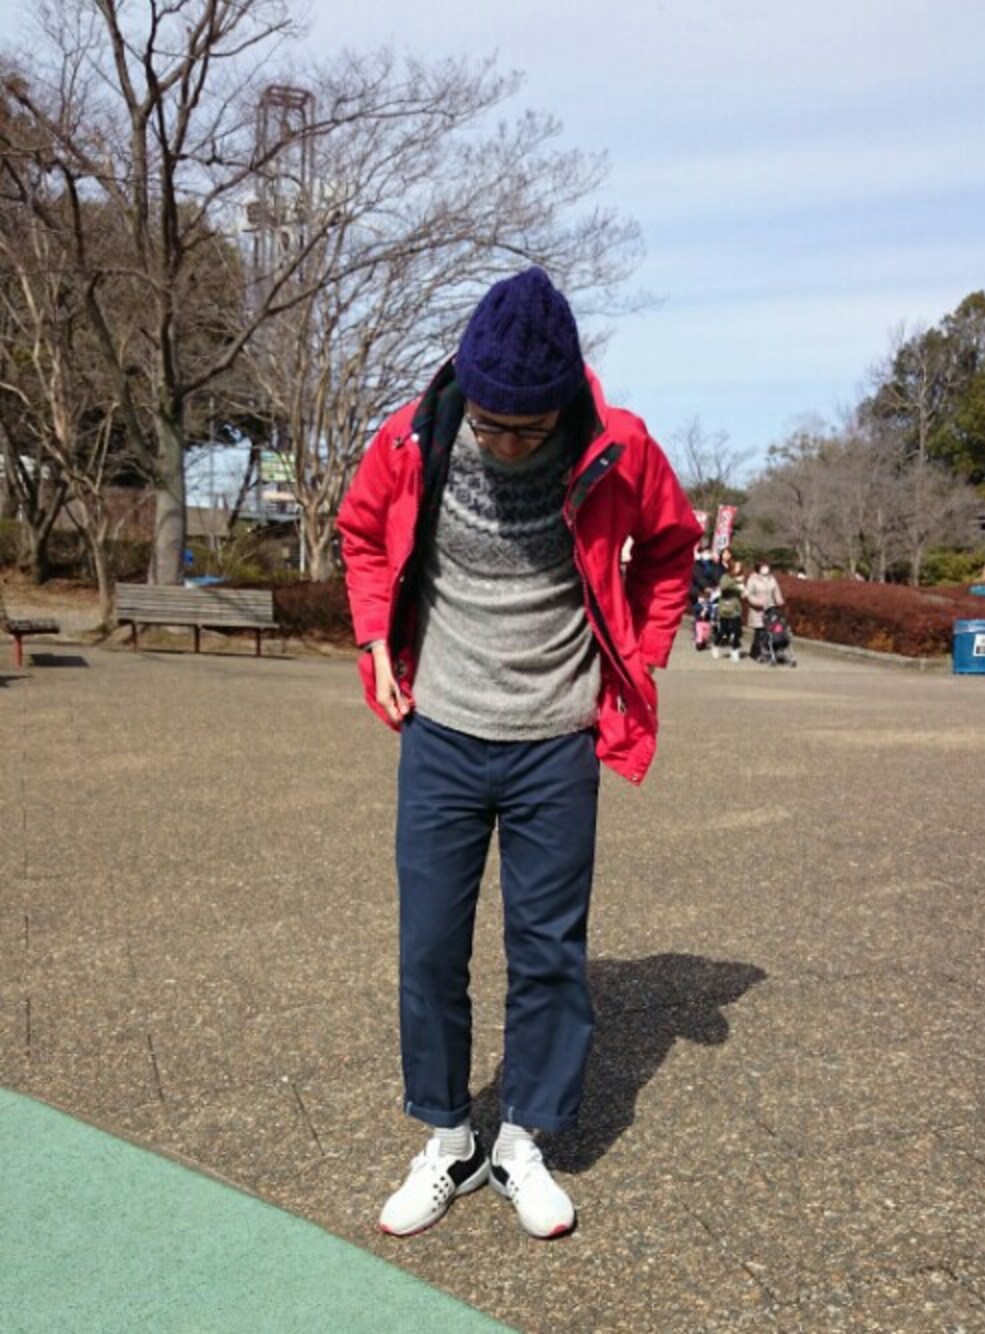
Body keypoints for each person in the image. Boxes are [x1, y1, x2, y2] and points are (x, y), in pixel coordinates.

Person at [337, 267, 701, 1241]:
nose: (504, 444)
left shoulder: (620, 446)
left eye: (526, 430)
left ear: (563, 402)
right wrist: (374, 640)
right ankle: (449, 1136)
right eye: (490, 423)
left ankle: (521, 1139)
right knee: (428, 946)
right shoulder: (412, 436)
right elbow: (361, 535)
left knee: (548, 952)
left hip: (557, 738)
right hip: (443, 730)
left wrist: (644, 651)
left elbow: (674, 548)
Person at [745, 559, 784, 661]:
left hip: (770, 608)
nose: (765, 569)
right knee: (760, 632)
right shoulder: (753, 579)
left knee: (769, 631)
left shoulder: (772, 579)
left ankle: (762, 650)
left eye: (767, 566)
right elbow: (748, 594)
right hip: (757, 610)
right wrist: (757, 602)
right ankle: (756, 652)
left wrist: (779, 600)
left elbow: (776, 591)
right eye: (763, 567)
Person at [713, 558, 745, 661]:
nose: (738, 569)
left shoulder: (741, 579)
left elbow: (742, 593)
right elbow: (723, 586)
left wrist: (743, 591)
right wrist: (735, 581)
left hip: (736, 609)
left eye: (740, 567)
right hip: (725, 607)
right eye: (737, 567)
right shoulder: (725, 577)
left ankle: (734, 651)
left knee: (737, 631)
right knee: (724, 631)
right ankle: (716, 645)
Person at [693, 583, 717, 650]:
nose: (701, 599)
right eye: (700, 598)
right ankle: (698, 645)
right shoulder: (698, 605)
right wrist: (702, 610)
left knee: (705, 635)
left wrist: (709, 613)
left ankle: (704, 643)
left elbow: (711, 612)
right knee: (700, 634)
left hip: (707, 622)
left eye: (704, 598)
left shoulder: (709, 605)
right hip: (699, 622)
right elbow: (695, 609)